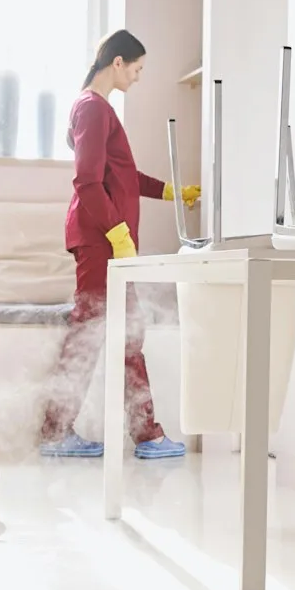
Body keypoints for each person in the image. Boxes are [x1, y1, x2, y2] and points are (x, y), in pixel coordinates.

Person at [39, 30, 199, 462]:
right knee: (90, 335)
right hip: (100, 243)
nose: (139, 77)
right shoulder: (92, 109)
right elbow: (87, 183)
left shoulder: (97, 110)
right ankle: (61, 432)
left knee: (125, 337)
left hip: (106, 244)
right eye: (138, 68)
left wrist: (171, 191)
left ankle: (144, 435)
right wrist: (116, 232)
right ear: (118, 63)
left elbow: (122, 177)